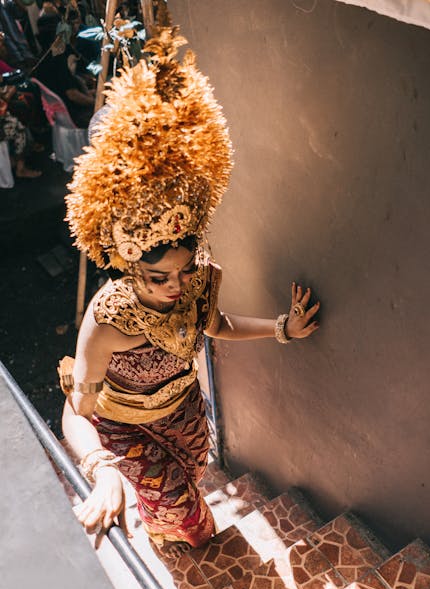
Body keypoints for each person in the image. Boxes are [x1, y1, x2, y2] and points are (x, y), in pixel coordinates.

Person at [61, 12, 320, 560]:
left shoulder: (196, 279)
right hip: (127, 431)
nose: (177, 287)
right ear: (130, 269)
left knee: (193, 481)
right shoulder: (107, 320)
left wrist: (282, 328)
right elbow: (74, 409)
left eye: (184, 270)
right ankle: (181, 544)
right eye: (159, 278)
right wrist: (102, 470)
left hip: (186, 412)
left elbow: (213, 325)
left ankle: (164, 530)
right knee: (185, 514)